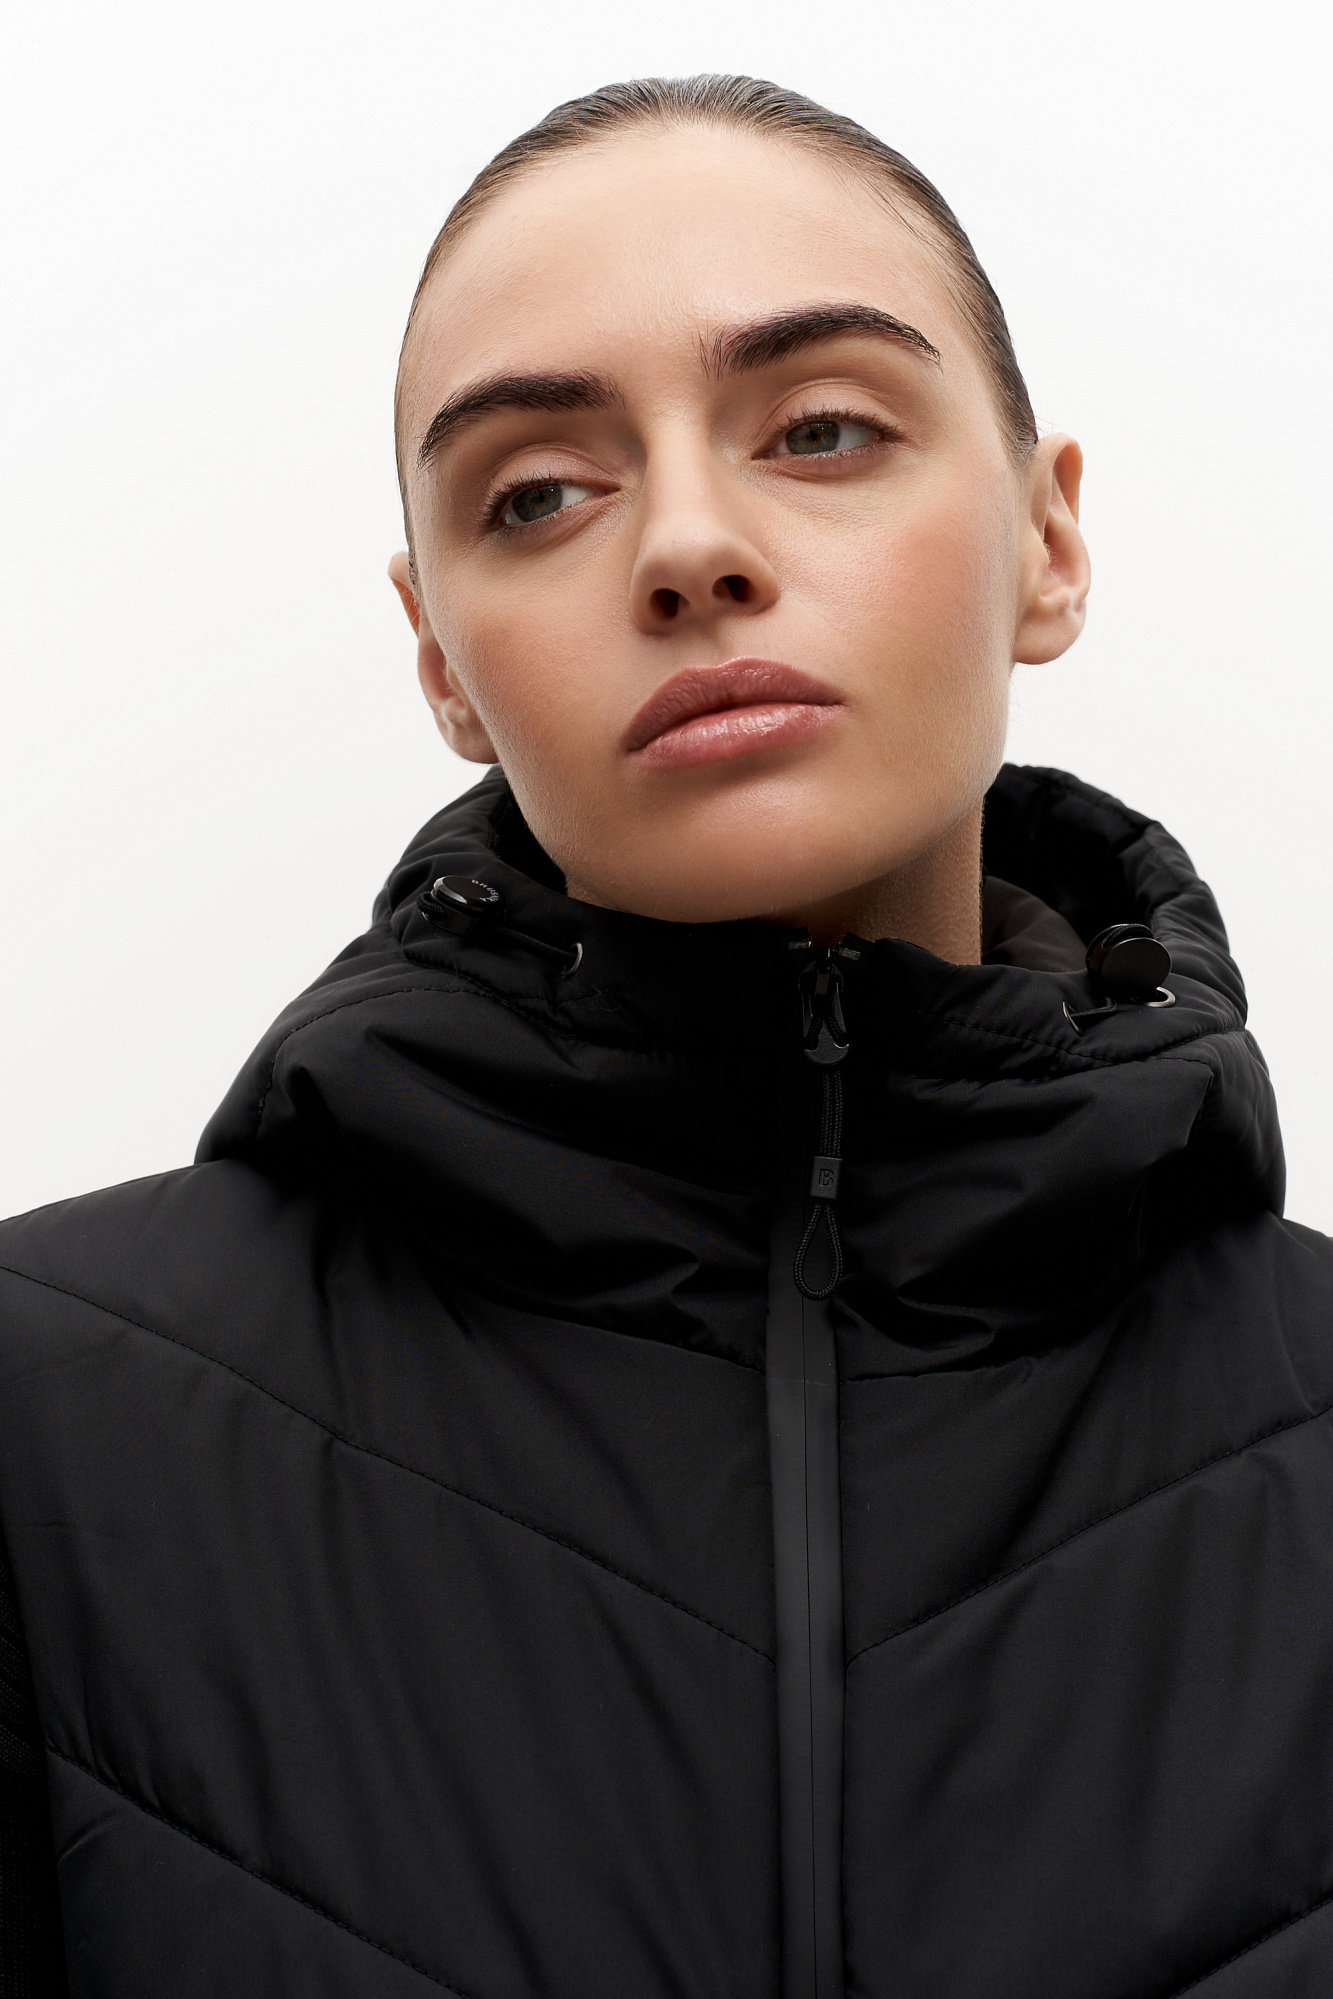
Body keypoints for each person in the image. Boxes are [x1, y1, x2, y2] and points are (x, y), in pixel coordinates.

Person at [0, 70, 1329, 1999]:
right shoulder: (44, 1429)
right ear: (442, 660)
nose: (687, 549)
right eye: (537, 492)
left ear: (1047, 540)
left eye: (820, 428)